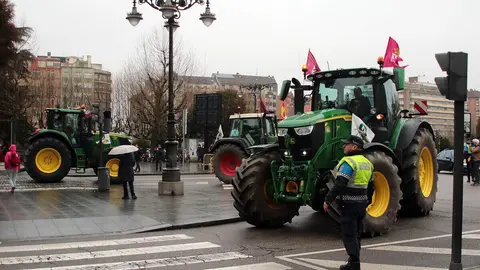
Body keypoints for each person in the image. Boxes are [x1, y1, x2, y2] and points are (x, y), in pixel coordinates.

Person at [323, 135, 374, 270]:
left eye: (347, 144)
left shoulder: (349, 162)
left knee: (348, 234)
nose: (344, 146)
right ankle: (353, 262)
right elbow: (372, 187)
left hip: (349, 205)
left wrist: (328, 199)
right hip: (361, 205)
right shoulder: (367, 163)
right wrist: (366, 201)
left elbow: (340, 184)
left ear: (354, 147)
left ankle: (354, 264)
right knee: (357, 234)